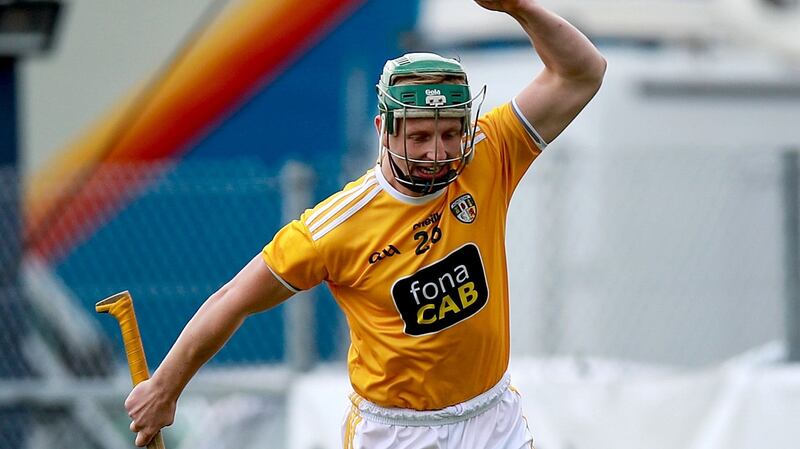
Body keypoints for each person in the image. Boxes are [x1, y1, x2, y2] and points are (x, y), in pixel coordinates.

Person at [124, 1, 606, 447]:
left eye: (449, 132)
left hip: (490, 419)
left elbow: (583, 73)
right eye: (419, 136)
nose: (437, 152)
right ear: (384, 130)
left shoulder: (489, 151)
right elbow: (232, 301)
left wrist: (516, 8)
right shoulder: (336, 227)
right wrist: (166, 387)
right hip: (396, 433)